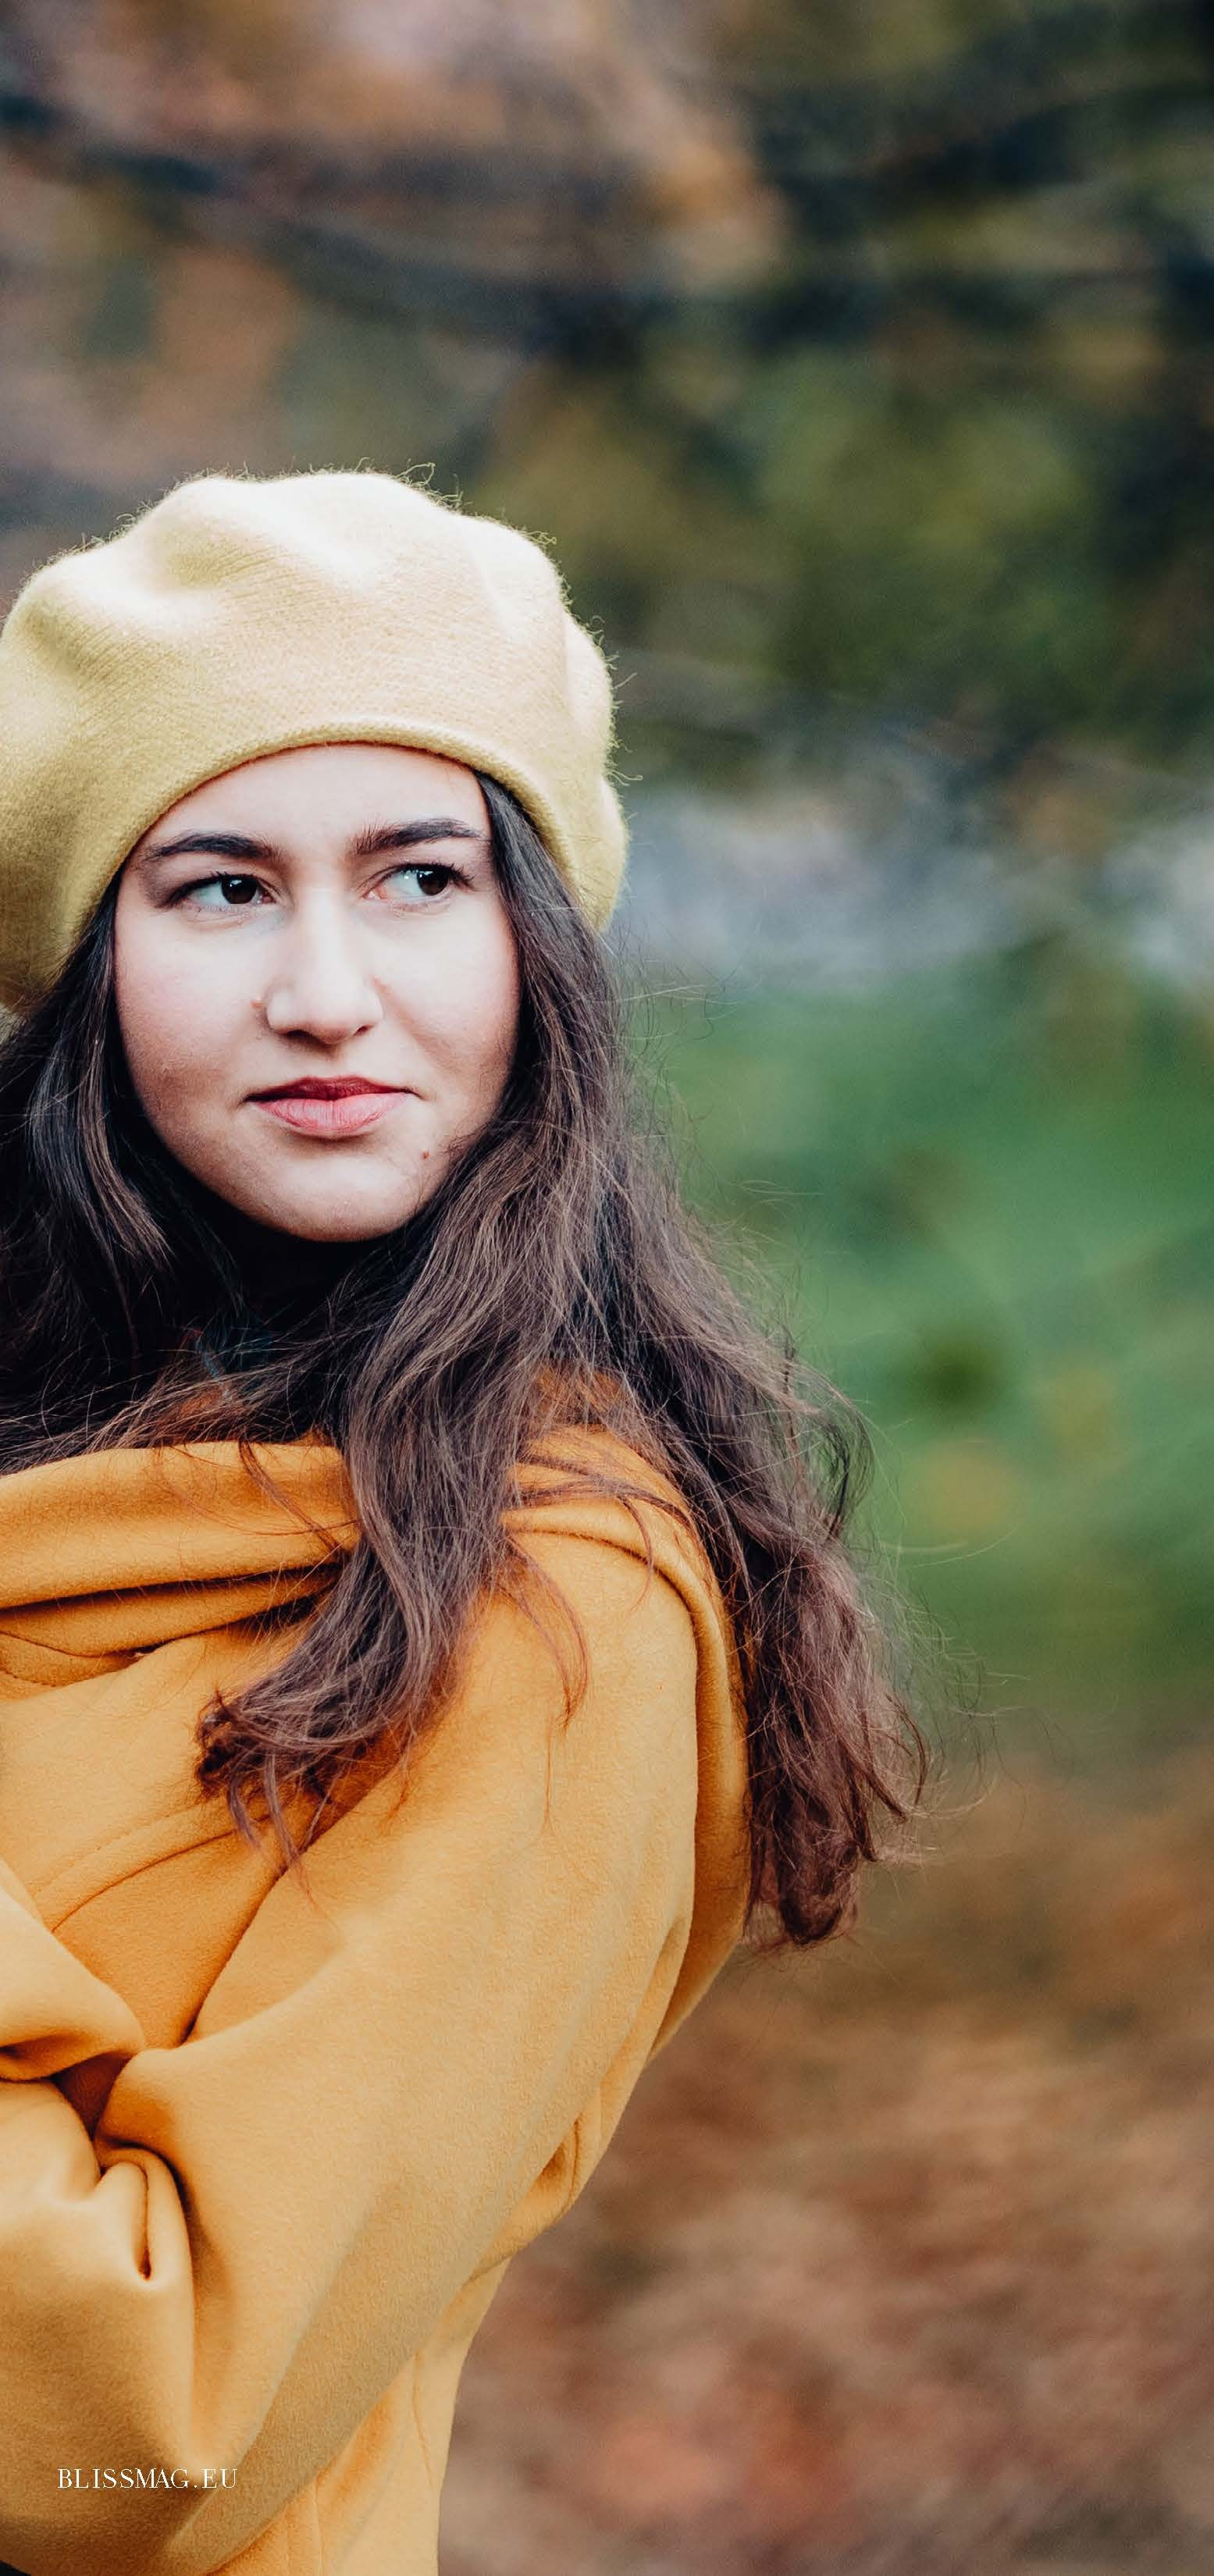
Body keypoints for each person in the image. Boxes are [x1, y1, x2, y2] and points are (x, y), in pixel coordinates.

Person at [0, 470, 926, 2576]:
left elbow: (145, 2423)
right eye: (220, 889)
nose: (328, 989)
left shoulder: (552, 1601)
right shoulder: (55, 1452)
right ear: (85, 972)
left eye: (418, 877)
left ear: (535, 944)